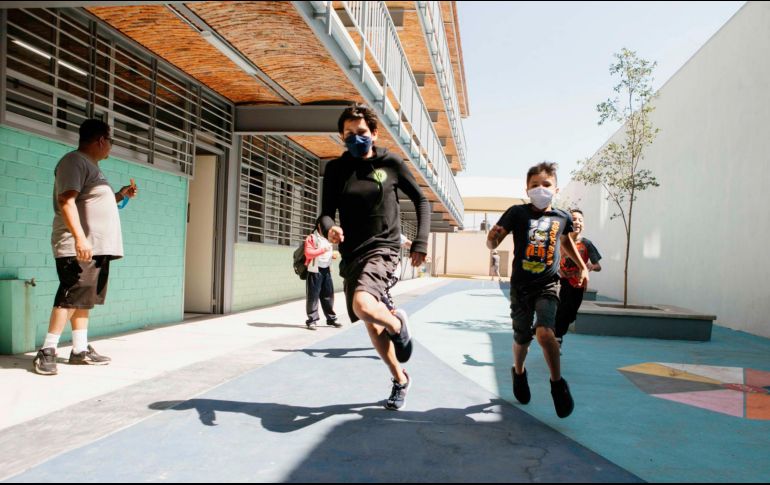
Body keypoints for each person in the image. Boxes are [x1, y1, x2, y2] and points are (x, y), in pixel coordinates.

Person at [318, 105, 430, 411]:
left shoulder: (389, 162)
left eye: (362, 133)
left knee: (363, 305)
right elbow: (325, 214)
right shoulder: (336, 170)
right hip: (352, 252)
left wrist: (420, 241)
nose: (356, 138)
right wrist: (330, 229)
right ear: (342, 137)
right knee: (370, 323)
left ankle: (396, 324)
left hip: (384, 248)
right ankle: (401, 379)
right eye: (349, 134)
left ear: (375, 133)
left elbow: (421, 200)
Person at [33, 119, 138, 376]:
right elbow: (66, 201)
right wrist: (80, 238)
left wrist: (121, 195)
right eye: (110, 142)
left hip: (94, 247)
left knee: (83, 300)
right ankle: (47, 351)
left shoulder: (92, 167)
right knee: (70, 296)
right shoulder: (74, 161)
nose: (110, 148)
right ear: (101, 140)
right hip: (77, 246)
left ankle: (79, 350)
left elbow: (91, 201)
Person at [486, 161, 588, 418]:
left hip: (548, 285)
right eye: (534, 185)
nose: (540, 189)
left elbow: (566, 244)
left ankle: (557, 384)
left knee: (544, 333)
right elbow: (494, 240)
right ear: (526, 188)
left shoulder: (562, 217)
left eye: (546, 185)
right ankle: (518, 372)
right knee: (522, 338)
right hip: (521, 287)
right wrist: (491, 238)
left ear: (556, 188)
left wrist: (581, 266)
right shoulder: (517, 213)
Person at [555, 208, 602, 352]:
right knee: (563, 309)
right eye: (574, 219)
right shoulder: (560, 241)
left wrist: (591, 267)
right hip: (564, 282)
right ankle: (557, 339)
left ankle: (556, 329)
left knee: (571, 315)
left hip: (580, 284)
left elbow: (598, 266)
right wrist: (559, 270)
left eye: (580, 220)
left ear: (584, 224)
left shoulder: (587, 244)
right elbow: (552, 261)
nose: (577, 222)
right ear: (568, 222)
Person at [304, 222, 340, 330]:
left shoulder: (328, 238)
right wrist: (322, 250)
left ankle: (331, 319)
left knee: (328, 295)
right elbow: (308, 253)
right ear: (319, 226)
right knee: (313, 297)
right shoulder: (312, 237)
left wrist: (332, 255)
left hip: (327, 270)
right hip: (315, 270)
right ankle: (312, 320)